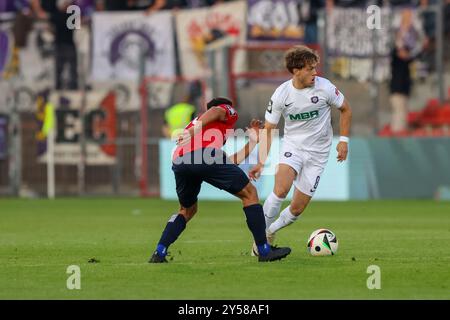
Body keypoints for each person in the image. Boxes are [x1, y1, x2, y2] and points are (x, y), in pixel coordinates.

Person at [149, 97, 292, 263]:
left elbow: (228, 162)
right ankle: (264, 250)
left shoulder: (206, 136)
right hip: (202, 156)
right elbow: (217, 110)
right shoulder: (223, 111)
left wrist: (252, 142)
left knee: (187, 210)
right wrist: (192, 131)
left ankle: (159, 252)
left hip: (180, 161)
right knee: (250, 193)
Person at [248, 45, 352, 255]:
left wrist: (344, 140)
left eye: (315, 68)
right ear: (296, 71)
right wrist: (260, 161)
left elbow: (346, 109)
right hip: (293, 147)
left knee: (296, 209)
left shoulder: (325, 87)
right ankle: (261, 241)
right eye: (310, 69)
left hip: (319, 153)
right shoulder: (281, 94)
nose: (315, 73)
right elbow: (269, 130)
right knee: (280, 190)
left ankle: (272, 230)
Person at [389, 7, 425, 133]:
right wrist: (404, 26)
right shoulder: (396, 53)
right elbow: (399, 46)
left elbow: (413, 51)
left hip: (403, 89)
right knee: (399, 118)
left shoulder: (409, 54)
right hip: (397, 90)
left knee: (402, 117)